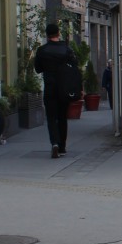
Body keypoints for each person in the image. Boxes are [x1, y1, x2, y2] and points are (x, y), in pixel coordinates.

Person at [33, 23, 77, 158]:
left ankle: (54, 143)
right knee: (63, 117)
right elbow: (74, 67)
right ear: (58, 33)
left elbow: (38, 69)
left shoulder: (42, 51)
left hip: (50, 87)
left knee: (51, 118)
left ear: (47, 35)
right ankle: (63, 146)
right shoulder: (67, 49)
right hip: (64, 88)